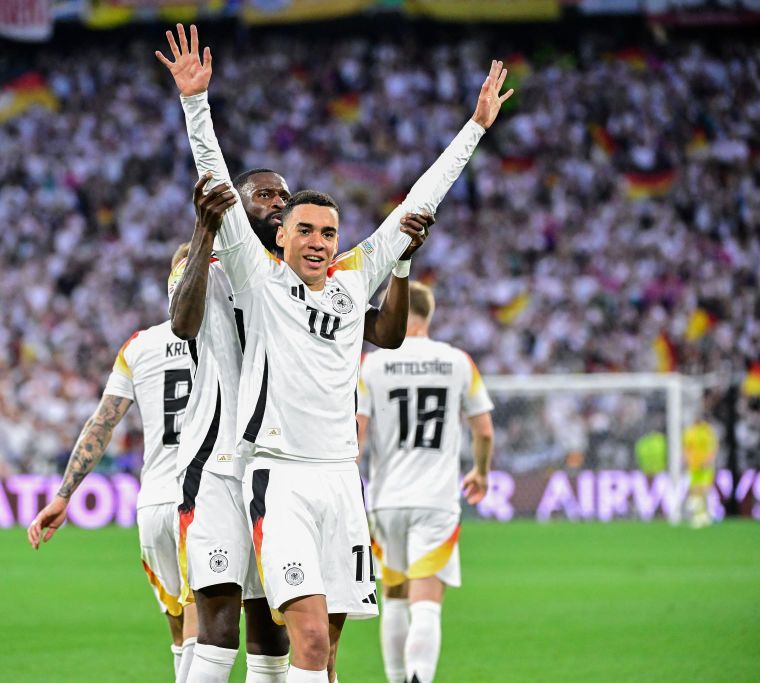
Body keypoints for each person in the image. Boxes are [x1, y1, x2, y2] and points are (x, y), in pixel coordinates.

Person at [155, 23, 512, 681]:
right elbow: (216, 180)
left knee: (326, 651)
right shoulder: (260, 280)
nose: (319, 240)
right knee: (308, 638)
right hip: (280, 475)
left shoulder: (353, 280)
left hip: (345, 479)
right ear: (280, 238)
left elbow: (420, 202)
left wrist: (475, 128)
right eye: (305, 230)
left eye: (329, 231)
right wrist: (194, 103)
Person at [165, 166, 431, 680]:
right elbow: (182, 322)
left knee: (277, 637)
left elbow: (377, 328)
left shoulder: (313, 281)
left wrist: (397, 264)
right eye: (265, 195)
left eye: (285, 196)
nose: (278, 203)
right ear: (237, 205)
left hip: (290, 463)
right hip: (219, 464)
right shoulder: (216, 262)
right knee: (217, 630)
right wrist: (206, 230)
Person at [28, 245, 200, 681]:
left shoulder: (139, 346)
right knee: (211, 630)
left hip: (154, 503)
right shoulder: (231, 336)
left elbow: (100, 424)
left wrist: (64, 495)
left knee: (179, 629)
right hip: (205, 498)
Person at [356, 282, 495, 683]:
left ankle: (397, 678)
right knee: (427, 604)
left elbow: (357, 436)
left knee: (395, 598)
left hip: (386, 499)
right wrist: (481, 472)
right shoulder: (457, 362)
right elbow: (483, 430)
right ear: (429, 315)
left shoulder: (372, 364)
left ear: (394, 311)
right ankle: (419, 677)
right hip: (435, 499)